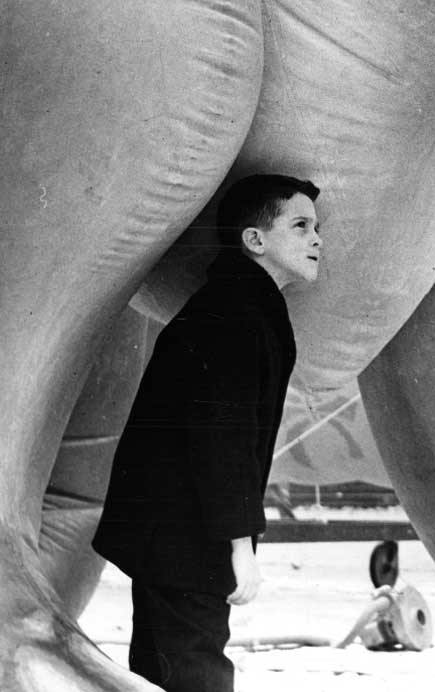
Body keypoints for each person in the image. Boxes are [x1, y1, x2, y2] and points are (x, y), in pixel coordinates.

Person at [93, 173, 321, 692]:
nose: (317, 239)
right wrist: (239, 546)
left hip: (169, 530)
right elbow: (223, 441)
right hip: (184, 533)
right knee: (194, 673)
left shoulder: (238, 303)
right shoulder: (237, 315)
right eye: (301, 225)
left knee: (168, 670)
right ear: (255, 240)